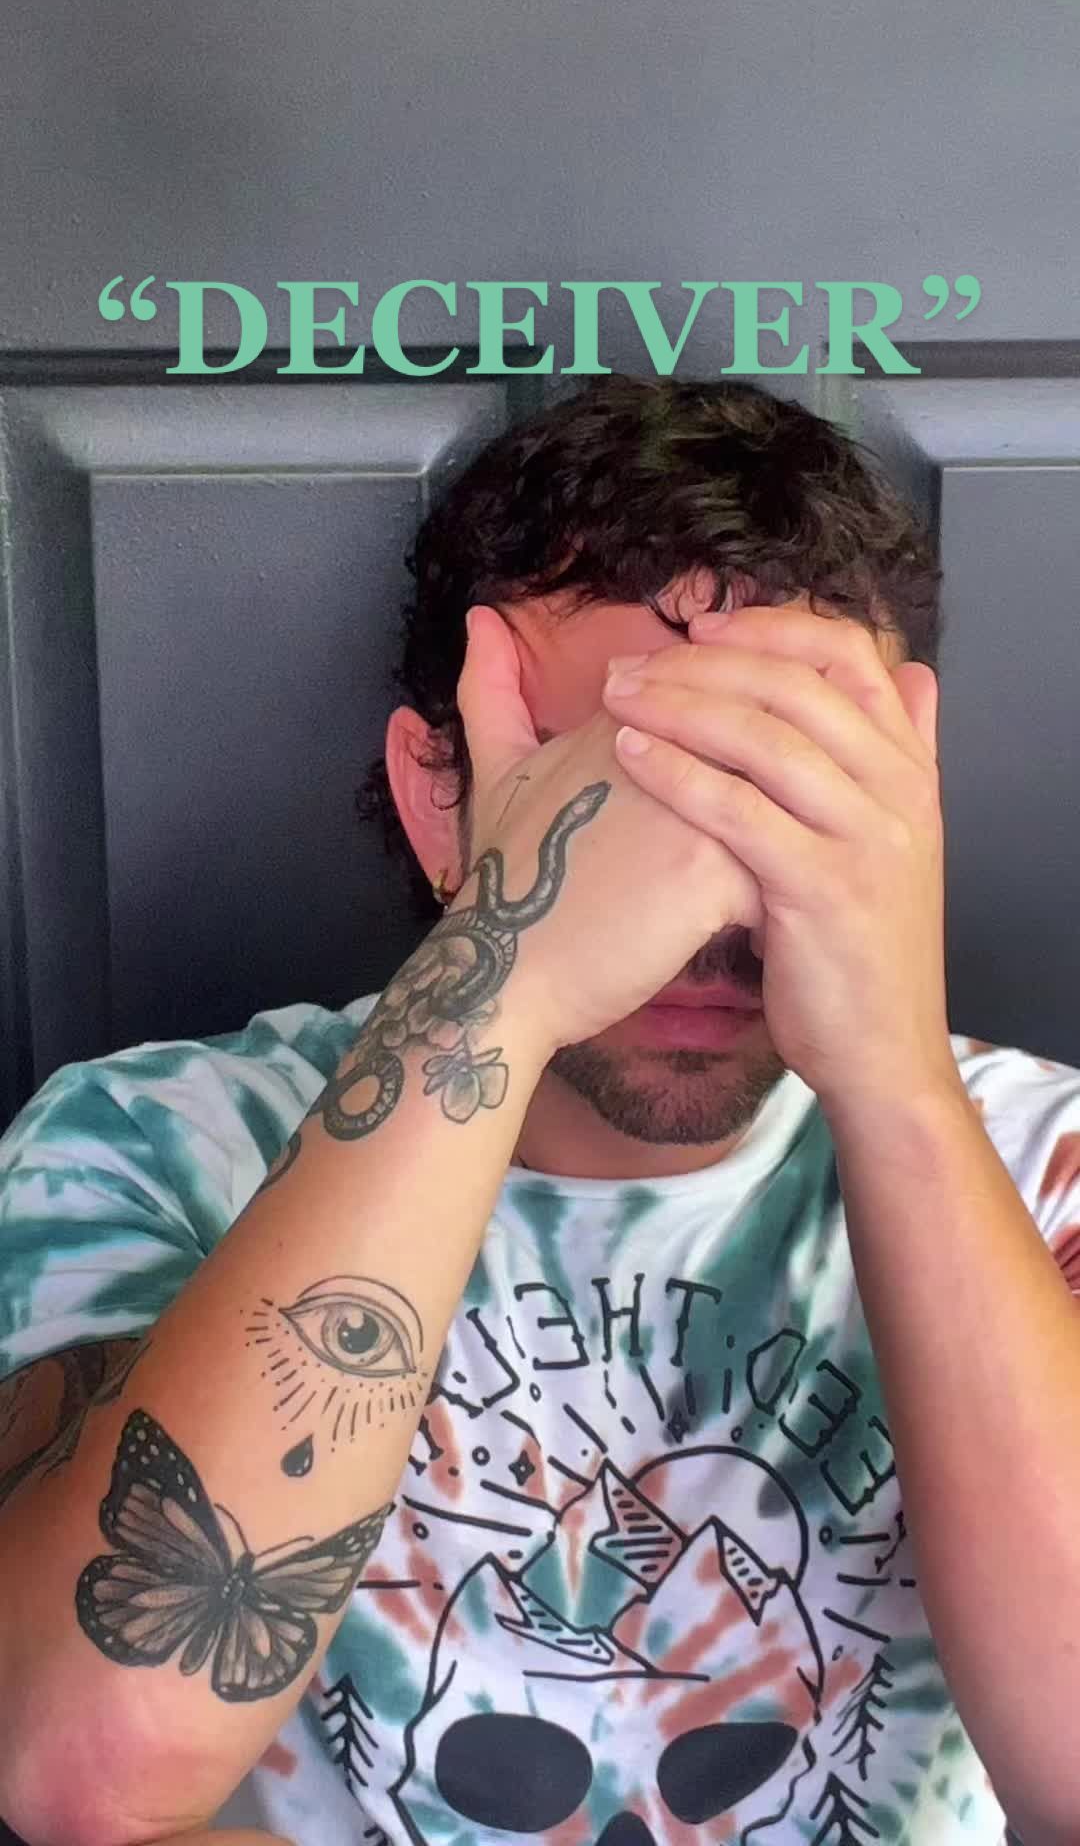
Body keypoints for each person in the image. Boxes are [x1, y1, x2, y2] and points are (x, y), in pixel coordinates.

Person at [0, 375, 1078, 1846]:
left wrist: (892, 1075)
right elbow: (79, 1770)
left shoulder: (1042, 1162)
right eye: (615, 793)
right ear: (440, 798)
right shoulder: (150, 1150)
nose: (707, 905)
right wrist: (505, 981)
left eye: (791, 792)